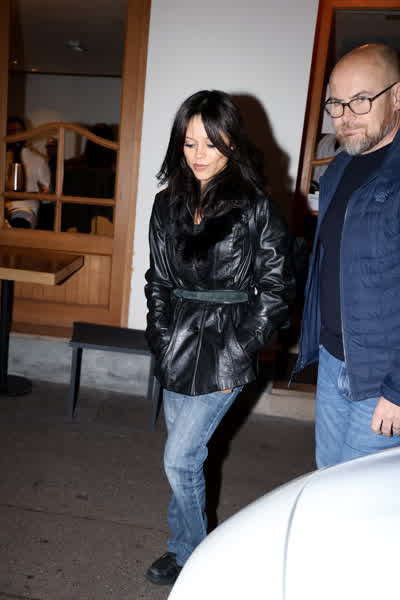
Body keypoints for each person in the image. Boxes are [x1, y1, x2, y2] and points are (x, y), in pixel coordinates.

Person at [144, 90, 295, 585]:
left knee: (179, 457)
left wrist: (240, 347)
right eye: (189, 143)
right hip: (176, 343)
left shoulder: (255, 206)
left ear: (231, 141)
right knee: (185, 459)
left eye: (210, 142)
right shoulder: (166, 205)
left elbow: (277, 288)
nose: (199, 154)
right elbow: (158, 280)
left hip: (226, 347)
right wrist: (160, 336)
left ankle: (193, 551)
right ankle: (182, 545)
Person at [293, 43, 400, 468]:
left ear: (397, 96)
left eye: (361, 100)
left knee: (358, 495)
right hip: (333, 356)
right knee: (327, 477)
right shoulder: (338, 168)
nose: (345, 116)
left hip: (381, 377)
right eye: (336, 103)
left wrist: (398, 390)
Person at [6, 117, 50, 228]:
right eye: (11, 132)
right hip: (3, 206)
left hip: (24, 209)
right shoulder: (3, 158)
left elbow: (47, 196)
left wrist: (40, 194)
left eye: (18, 131)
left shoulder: (38, 160)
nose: (15, 135)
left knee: (19, 219)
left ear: (25, 134)